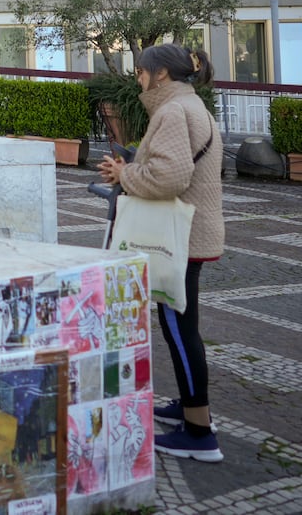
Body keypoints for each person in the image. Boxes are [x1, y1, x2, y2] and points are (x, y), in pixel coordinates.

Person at [97, 43, 225, 463]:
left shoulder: (172, 111)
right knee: (181, 326)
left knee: (179, 329)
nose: (138, 77)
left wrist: (124, 174)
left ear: (161, 75)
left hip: (179, 239)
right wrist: (132, 165)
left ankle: (199, 432)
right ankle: (191, 408)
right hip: (192, 233)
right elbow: (178, 165)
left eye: (140, 71)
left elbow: (169, 176)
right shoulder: (193, 107)